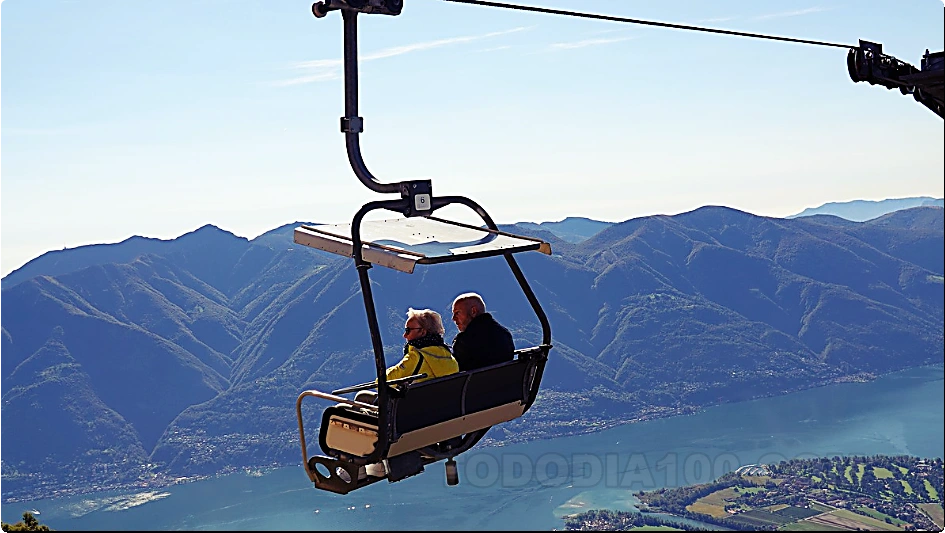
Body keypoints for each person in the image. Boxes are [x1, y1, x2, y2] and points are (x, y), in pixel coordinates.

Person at [385, 308, 459, 383]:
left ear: (423, 332)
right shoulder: (450, 356)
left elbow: (384, 381)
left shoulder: (416, 357)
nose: (404, 335)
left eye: (408, 330)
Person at [450, 292, 515, 372]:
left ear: (473, 311)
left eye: (457, 313)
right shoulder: (504, 335)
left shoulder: (465, 342)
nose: (453, 318)